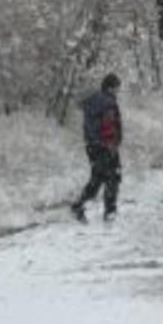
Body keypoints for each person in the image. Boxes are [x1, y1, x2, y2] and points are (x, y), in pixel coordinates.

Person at [71, 73, 123, 223]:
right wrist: (111, 144)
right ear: (111, 87)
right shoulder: (108, 103)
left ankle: (79, 206)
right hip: (106, 146)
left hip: (92, 145)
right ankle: (109, 212)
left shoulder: (93, 100)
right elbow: (108, 126)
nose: (118, 91)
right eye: (117, 88)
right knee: (113, 177)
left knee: (98, 177)